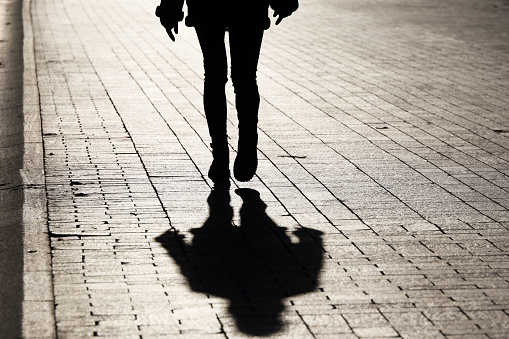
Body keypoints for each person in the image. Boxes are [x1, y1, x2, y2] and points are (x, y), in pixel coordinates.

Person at [156, 0, 299, 185]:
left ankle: (220, 156)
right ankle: (247, 144)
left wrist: (171, 7)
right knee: (244, 77)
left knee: (215, 76)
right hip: (248, 4)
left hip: (206, 5)